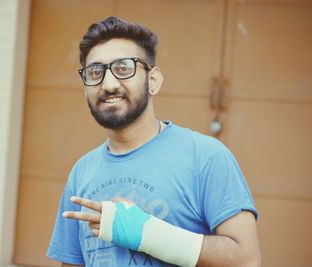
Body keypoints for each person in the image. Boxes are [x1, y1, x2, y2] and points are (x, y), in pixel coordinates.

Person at [46, 16, 261, 267]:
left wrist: (147, 234)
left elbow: (247, 260)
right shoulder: (82, 171)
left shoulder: (205, 157)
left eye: (123, 68)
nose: (108, 84)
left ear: (153, 80)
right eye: (95, 72)